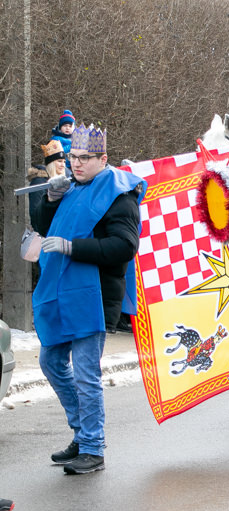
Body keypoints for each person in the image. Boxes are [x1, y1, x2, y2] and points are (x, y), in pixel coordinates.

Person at [31, 123, 144, 475]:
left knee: (85, 373)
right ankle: (82, 434)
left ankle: (93, 448)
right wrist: (50, 197)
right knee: (50, 361)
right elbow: (44, 225)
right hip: (61, 291)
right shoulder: (70, 186)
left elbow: (125, 246)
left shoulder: (118, 194)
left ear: (103, 158)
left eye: (85, 158)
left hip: (94, 295)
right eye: (73, 157)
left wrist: (72, 247)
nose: (76, 164)